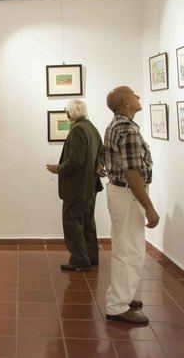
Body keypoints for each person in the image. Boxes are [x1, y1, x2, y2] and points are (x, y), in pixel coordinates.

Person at [102, 86, 159, 325]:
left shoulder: (116, 124)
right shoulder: (126, 128)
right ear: (126, 102)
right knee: (130, 251)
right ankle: (117, 306)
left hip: (121, 193)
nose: (138, 97)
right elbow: (132, 173)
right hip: (128, 194)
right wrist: (150, 208)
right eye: (135, 94)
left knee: (125, 248)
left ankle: (120, 296)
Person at [46, 99, 103, 271]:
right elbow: (100, 151)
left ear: (69, 114)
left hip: (77, 187)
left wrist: (58, 169)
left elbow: (75, 160)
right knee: (87, 222)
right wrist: (98, 166)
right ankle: (91, 256)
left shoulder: (78, 129)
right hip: (90, 185)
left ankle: (79, 260)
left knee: (72, 221)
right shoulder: (91, 127)